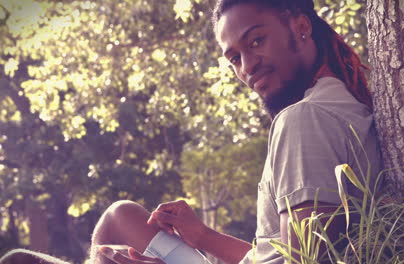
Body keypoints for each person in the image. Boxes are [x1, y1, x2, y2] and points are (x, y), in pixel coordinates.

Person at [1, 0, 382, 263]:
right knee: (121, 218)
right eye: (234, 57)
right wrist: (201, 237)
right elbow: (283, 253)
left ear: (300, 26)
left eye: (256, 41)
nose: (247, 67)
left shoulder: (303, 120)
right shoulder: (339, 102)